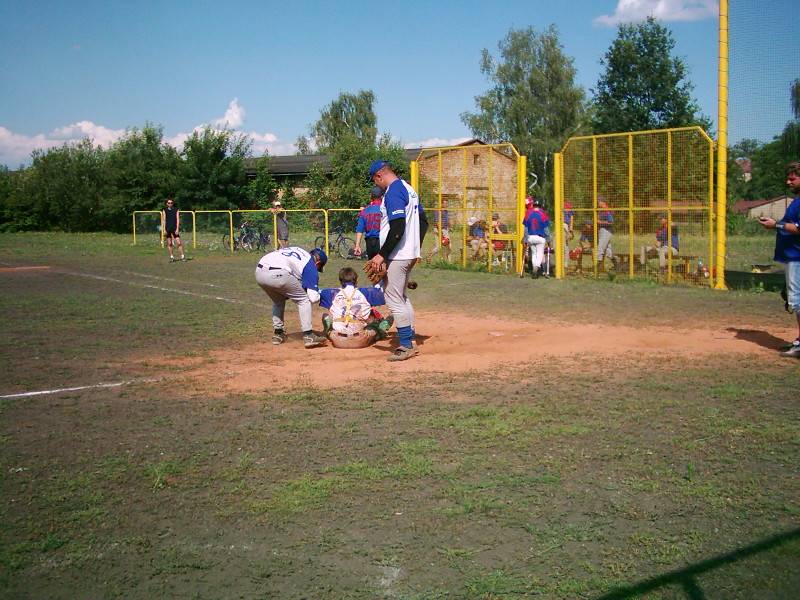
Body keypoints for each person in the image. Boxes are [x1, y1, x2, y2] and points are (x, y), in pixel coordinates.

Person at [366, 159, 428, 362]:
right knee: (400, 296)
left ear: (379, 176)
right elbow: (424, 223)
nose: (377, 186)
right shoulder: (409, 189)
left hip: (398, 255)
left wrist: (382, 255)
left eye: (375, 181)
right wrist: (414, 247)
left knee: (393, 298)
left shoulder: (393, 192)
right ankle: (409, 336)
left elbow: (398, 228)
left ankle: (405, 346)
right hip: (407, 253)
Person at [758, 161, 800, 358]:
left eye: (793, 178)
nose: (788, 181)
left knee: (797, 300)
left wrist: (777, 225)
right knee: (793, 298)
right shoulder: (797, 200)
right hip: (792, 257)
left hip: (797, 258)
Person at [254, 246, 328, 348]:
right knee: (304, 300)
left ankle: (278, 334)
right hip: (279, 274)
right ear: (318, 263)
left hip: (259, 272)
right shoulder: (310, 266)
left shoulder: (299, 251)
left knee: (278, 300)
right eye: (319, 268)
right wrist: (322, 294)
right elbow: (313, 298)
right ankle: (308, 336)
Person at [320, 267, 393, 348]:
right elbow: (387, 292)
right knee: (376, 324)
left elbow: (313, 295)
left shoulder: (331, 293)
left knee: (325, 316)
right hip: (360, 340)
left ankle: (328, 331)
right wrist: (382, 279)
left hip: (338, 340)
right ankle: (382, 328)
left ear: (341, 281)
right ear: (356, 280)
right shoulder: (366, 292)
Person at [354, 186, 383, 259]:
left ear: (371, 196)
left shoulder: (365, 211)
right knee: (383, 267)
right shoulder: (385, 209)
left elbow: (359, 230)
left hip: (369, 242)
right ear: (382, 196)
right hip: (382, 241)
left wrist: (357, 245)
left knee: (372, 266)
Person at [522, 200, 549, 278]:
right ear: (540, 206)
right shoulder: (543, 214)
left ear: (533, 206)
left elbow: (526, 229)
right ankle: (536, 267)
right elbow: (546, 229)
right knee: (540, 253)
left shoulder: (528, 214)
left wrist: (525, 238)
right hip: (540, 238)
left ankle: (534, 268)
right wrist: (549, 239)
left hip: (530, 237)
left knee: (534, 253)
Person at [161, 198, 186, 262]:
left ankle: (182, 256)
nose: (170, 204)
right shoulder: (164, 210)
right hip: (167, 228)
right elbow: (164, 220)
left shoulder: (176, 209)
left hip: (174, 228)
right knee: (169, 243)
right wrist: (164, 229)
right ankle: (172, 257)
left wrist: (177, 228)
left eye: (171, 203)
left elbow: (177, 219)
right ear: (167, 204)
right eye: (169, 203)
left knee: (179, 243)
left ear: (173, 203)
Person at [426, 199, 451, 263]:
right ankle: (429, 256)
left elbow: (446, 220)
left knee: (448, 245)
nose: (446, 205)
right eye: (445, 203)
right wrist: (441, 232)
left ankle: (447, 261)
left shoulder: (445, 211)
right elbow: (437, 222)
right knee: (439, 246)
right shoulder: (438, 211)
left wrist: (449, 227)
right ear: (441, 204)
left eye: (447, 203)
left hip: (445, 229)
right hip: (439, 229)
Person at [597, 199, 617, 270]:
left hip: (607, 231)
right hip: (602, 230)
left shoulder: (607, 210)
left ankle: (598, 266)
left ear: (603, 202)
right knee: (608, 250)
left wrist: (600, 222)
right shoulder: (600, 211)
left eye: (599, 202)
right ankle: (616, 264)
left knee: (600, 247)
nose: (598, 203)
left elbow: (611, 222)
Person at [563, 201, 575, 269]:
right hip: (565, 225)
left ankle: (563, 263)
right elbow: (571, 218)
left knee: (561, 245)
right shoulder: (569, 205)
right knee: (565, 246)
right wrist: (571, 230)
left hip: (560, 225)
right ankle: (565, 264)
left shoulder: (560, 204)